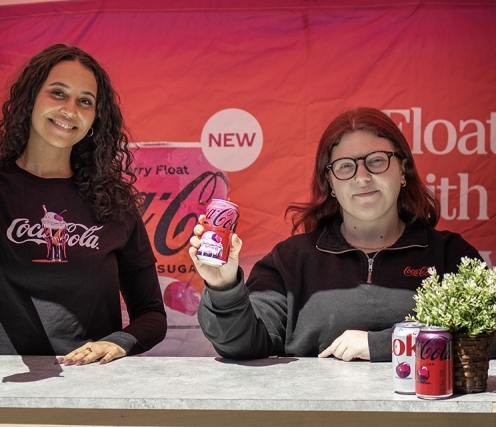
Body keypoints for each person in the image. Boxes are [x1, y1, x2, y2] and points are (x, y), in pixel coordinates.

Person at [0, 44, 167, 364]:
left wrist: (117, 342)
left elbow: (152, 315)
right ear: (31, 98)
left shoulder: (116, 205)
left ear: (94, 120)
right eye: (58, 93)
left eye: (85, 101)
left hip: (88, 385)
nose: (69, 110)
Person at [189, 107, 482, 362]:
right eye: (345, 167)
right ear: (329, 182)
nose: (363, 176)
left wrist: (382, 344)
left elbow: (487, 338)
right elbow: (242, 345)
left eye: (377, 160)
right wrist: (224, 286)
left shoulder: (449, 255)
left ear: (403, 170)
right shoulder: (291, 260)